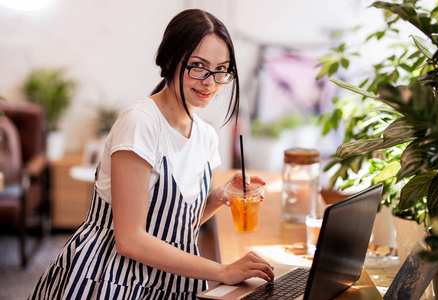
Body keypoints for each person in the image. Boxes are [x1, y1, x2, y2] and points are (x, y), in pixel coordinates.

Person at [28, 9, 274, 300]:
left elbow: (175, 224)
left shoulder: (206, 135)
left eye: (221, 69)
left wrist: (220, 196)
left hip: (168, 283)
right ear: (170, 60)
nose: (210, 81)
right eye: (198, 66)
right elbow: (130, 240)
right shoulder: (140, 123)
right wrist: (222, 271)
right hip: (108, 280)